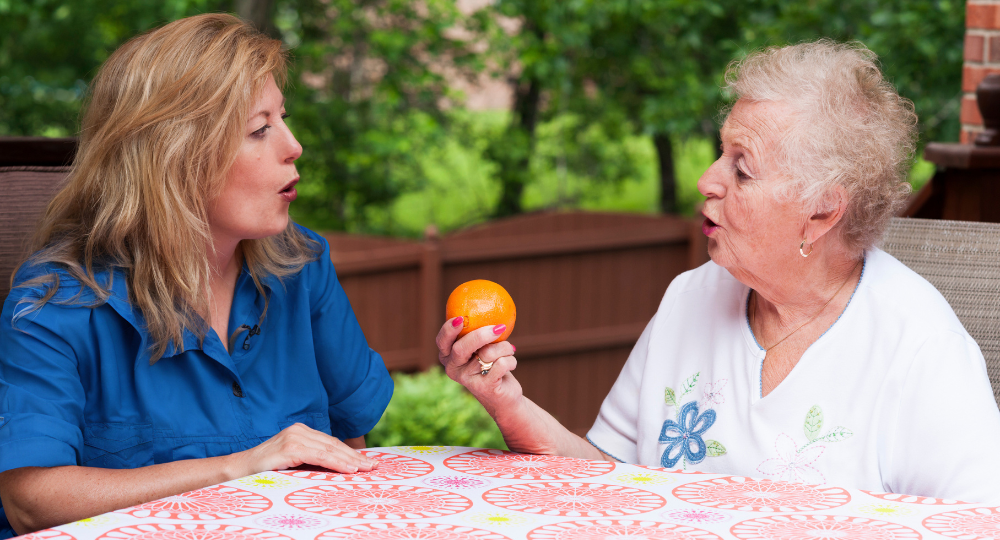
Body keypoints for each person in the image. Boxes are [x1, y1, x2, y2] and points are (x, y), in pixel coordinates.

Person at [439, 40, 1000, 502]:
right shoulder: (691, 296)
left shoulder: (920, 348)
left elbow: (978, 523)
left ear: (823, 211)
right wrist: (506, 403)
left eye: (743, 169)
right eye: (720, 152)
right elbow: (607, 478)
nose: (708, 179)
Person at [0, 14, 393, 537]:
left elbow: (351, 446)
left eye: (283, 118)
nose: (294, 145)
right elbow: (30, 499)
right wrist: (237, 469)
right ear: (175, 158)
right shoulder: (53, 304)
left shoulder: (304, 265)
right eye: (260, 128)